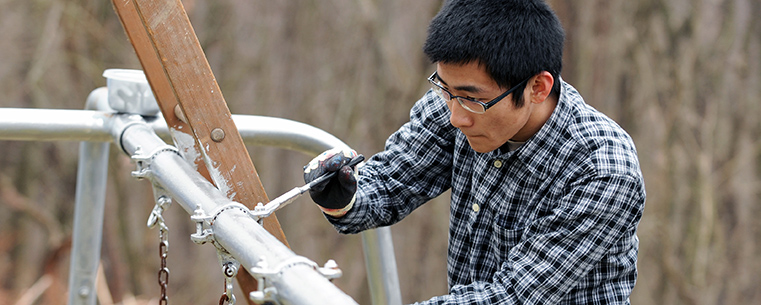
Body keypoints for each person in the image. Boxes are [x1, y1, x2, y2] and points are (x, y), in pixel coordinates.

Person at [303, 0, 645, 303]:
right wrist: (342, 195)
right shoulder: (456, 103)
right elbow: (390, 185)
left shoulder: (603, 170)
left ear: (538, 87)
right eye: (445, 89)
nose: (456, 116)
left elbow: (513, 296)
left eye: (471, 98)